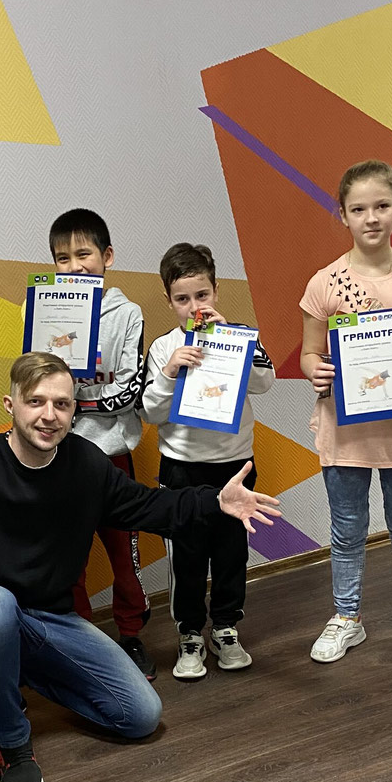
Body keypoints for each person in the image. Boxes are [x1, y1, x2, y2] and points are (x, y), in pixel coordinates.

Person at [0, 352, 281, 782]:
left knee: (141, 715)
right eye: (36, 401)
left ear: (74, 410)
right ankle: (12, 745)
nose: (49, 415)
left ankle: (8, 667)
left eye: (61, 404)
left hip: (44, 617)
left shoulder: (86, 465)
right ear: (10, 405)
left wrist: (214, 502)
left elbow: (148, 506)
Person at [299, 159, 392, 666]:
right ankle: (347, 617)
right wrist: (317, 371)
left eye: (382, 206)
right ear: (342, 214)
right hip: (343, 429)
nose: (371, 218)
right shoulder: (325, 283)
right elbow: (309, 355)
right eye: (359, 209)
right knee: (346, 530)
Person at [139, 241, 275, 679]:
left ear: (216, 291)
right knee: (188, 557)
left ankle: (226, 628)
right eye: (182, 298)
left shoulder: (240, 337)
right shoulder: (163, 348)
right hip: (182, 466)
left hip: (234, 464)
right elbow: (149, 412)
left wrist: (234, 340)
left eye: (202, 295)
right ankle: (189, 634)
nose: (194, 306)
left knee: (232, 552)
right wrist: (169, 372)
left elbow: (265, 382)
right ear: (169, 301)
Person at [50, 208, 155, 680]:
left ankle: (131, 636)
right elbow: (39, 384)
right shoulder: (44, 310)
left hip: (112, 457)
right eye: (62, 258)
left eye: (83, 254)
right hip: (61, 458)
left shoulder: (127, 314)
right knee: (69, 561)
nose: (74, 266)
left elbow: (129, 390)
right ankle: (82, 645)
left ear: (107, 256)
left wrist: (76, 403)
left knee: (124, 557)